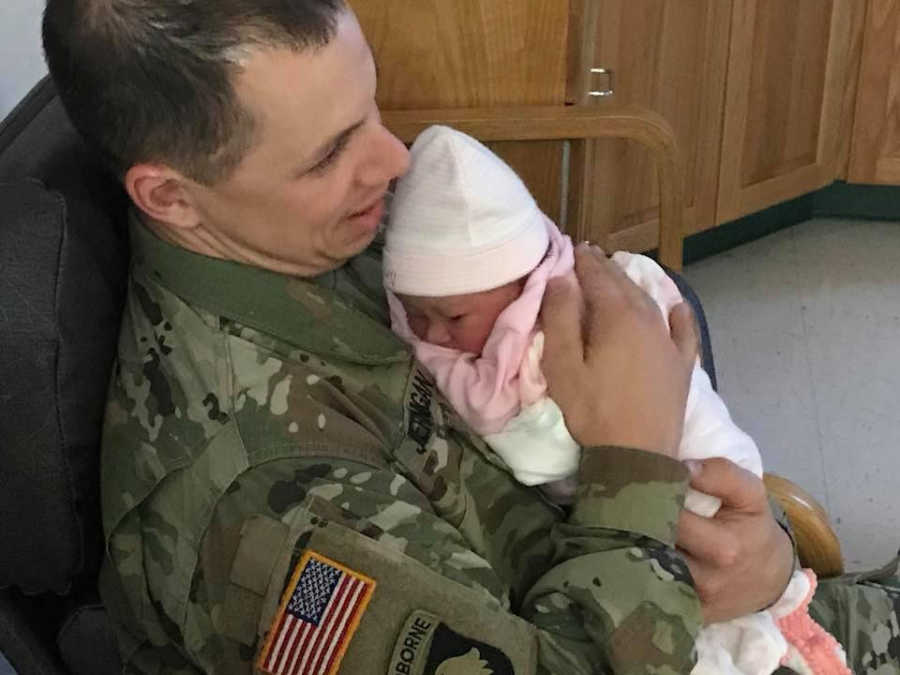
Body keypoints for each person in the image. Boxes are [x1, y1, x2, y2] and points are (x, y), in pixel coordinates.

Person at [39, 0, 900, 673]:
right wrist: (635, 461)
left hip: (706, 594)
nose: (395, 160)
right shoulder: (264, 519)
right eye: (328, 154)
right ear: (171, 197)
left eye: (373, 105)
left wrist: (759, 552)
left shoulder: (320, 231)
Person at [383, 124, 850, 675]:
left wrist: (771, 553)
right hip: (635, 592)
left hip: (711, 501)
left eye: (453, 318)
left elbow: (538, 454)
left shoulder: (535, 341)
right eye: (417, 316)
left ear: (520, 283)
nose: (433, 336)